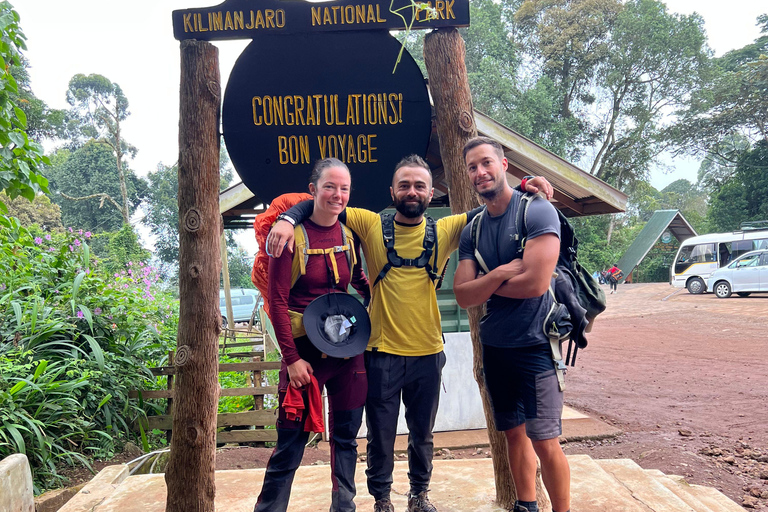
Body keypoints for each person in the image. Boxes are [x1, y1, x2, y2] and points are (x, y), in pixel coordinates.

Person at [268, 155, 553, 512]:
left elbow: (497, 201)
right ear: (392, 191)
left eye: (419, 185)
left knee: (422, 435)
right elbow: (324, 202)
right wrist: (287, 218)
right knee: (380, 436)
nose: (412, 191)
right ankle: (382, 499)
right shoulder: (369, 224)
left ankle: (419, 495)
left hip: (428, 351)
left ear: (431, 193)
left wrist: (525, 185)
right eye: (404, 185)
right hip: (380, 350)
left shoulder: (446, 230)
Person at [453, 136, 570, 512]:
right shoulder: (471, 230)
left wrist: (484, 285)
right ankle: (526, 505)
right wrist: (503, 273)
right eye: (472, 167)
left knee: (545, 438)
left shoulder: (536, 211)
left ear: (504, 166)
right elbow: (463, 296)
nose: (479, 172)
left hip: (536, 344)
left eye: (486, 163)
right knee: (512, 435)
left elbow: (536, 284)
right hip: (497, 347)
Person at [254, 158, 371, 512]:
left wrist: (378, 295)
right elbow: (276, 302)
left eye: (344, 188)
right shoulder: (287, 236)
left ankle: (344, 507)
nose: (337, 195)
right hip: (303, 354)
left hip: (347, 352)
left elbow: (359, 281)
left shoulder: (349, 234)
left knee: (347, 438)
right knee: (291, 441)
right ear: (313, 190)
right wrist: (291, 360)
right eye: (329, 187)